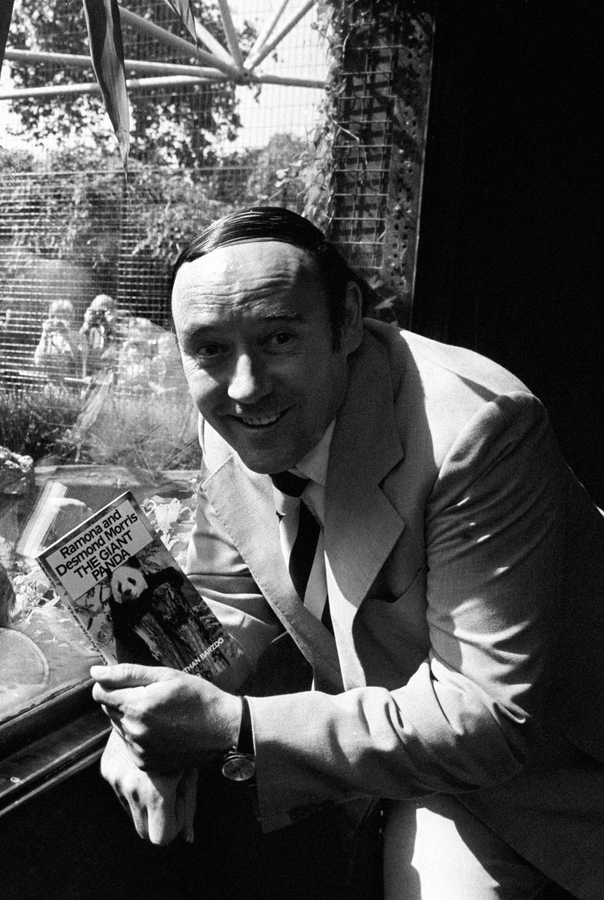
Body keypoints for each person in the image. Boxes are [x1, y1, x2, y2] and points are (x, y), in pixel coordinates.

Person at [92, 207, 604, 900]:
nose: (244, 386)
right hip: (419, 771)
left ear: (350, 319)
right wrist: (143, 716)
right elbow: (230, 599)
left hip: (559, 784)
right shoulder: (236, 420)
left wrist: (231, 727)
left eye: (279, 337)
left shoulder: (479, 431)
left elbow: (486, 716)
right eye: (208, 348)